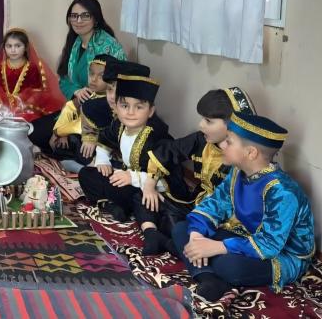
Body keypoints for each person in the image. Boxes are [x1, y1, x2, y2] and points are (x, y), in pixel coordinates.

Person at [170, 111, 315, 302]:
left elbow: (269, 244)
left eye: (229, 141)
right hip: (246, 236)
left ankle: (202, 266)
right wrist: (197, 235)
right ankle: (208, 279)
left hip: (281, 254)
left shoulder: (283, 192)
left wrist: (219, 247)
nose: (222, 145)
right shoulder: (238, 172)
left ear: (250, 153)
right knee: (183, 229)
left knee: (229, 266)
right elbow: (216, 204)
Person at [78, 75, 188, 255]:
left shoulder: (158, 138)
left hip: (150, 189)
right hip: (126, 181)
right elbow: (104, 139)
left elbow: (169, 179)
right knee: (86, 174)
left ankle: (151, 232)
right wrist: (103, 160)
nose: (130, 112)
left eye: (139, 107)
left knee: (142, 198)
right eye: (125, 106)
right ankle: (111, 205)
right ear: (116, 107)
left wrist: (133, 177)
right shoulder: (119, 126)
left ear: (150, 111)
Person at [142, 87, 250, 254]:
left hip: (223, 217)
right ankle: (157, 235)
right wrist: (149, 185)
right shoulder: (202, 139)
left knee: (182, 230)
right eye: (202, 119)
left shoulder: (243, 157)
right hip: (197, 203)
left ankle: (172, 243)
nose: (201, 125)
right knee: (145, 198)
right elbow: (169, 150)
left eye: (208, 121)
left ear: (232, 125)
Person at [0, 28, 64, 123]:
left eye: (18, 46)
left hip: (24, 107)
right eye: (9, 46)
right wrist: (3, 104)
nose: (13, 50)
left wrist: (20, 105)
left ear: (26, 47)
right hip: (3, 106)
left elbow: (35, 93)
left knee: (30, 121)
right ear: (4, 47)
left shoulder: (31, 67)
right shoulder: (0, 67)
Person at [56, 0, 125, 103]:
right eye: (74, 16)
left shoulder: (109, 46)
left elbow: (119, 84)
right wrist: (76, 91)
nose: (78, 20)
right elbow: (63, 78)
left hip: (103, 105)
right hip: (77, 103)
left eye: (85, 16)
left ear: (95, 19)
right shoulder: (74, 42)